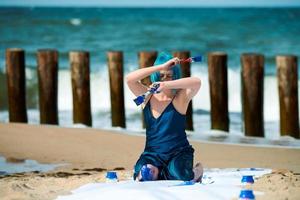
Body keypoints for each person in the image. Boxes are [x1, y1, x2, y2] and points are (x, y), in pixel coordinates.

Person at [126, 52, 203, 182]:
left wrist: (166, 85)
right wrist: (161, 66)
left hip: (178, 153)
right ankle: (159, 172)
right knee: (145, 174)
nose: (164, 79)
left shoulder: (180, 98)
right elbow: (129, 79)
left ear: (175, 77)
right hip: (152, 154)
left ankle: (198, 171)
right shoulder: (147, 96)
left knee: (179, 175)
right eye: (161, 76)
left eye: (169, 76)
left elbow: (197, 82)